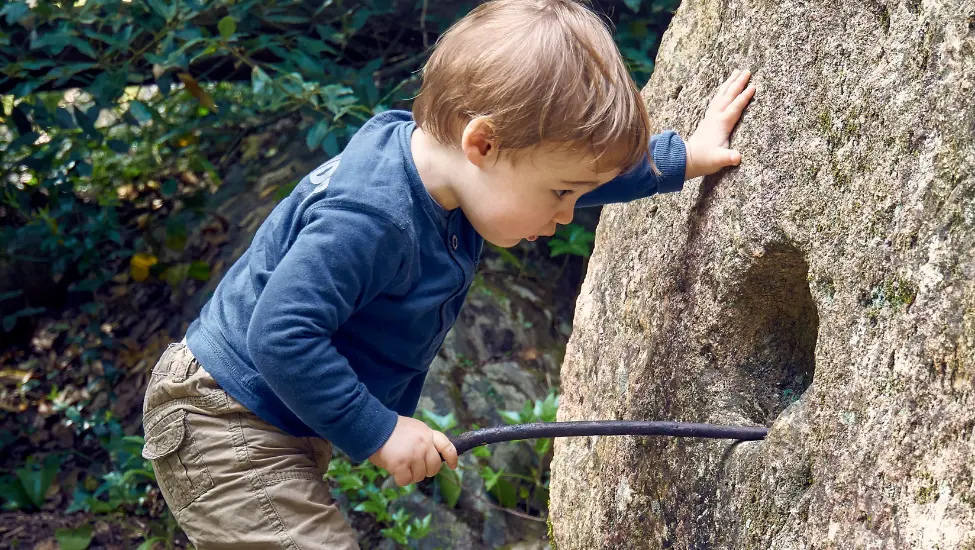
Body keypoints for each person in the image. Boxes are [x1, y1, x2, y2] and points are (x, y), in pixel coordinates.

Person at [140, 0, 756, 547]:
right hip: (222, 421)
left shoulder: (446, 172)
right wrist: (379, 432)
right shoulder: (372, 218)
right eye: (561, 194)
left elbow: (565, 166)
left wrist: (683, 157)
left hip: (267, 417)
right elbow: (279, 334)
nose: (567, 213)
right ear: (482, 144)